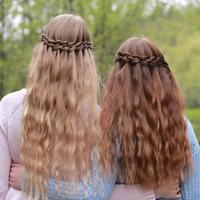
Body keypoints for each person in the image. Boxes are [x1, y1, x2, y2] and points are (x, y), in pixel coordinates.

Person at [2, 14, 180, 200]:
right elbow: (97, 195)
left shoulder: (9, 108)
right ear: (87, 62)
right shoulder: (99, 120)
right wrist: (152, 193)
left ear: (40, 55)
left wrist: (29, 181)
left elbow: (95, 194)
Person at [99, 37, 200, 200]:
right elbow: (194, 194)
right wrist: (153, 193)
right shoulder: (182, 127)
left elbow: (94, 195)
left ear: (117, 79)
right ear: (163, 79)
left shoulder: (107, 129)